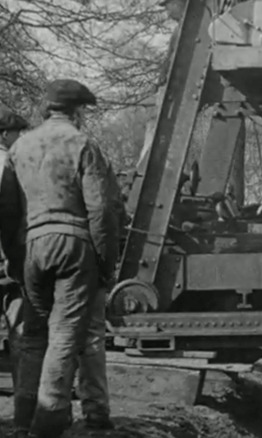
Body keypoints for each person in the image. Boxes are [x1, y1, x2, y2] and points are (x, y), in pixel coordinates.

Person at [10, 79, 122, 437]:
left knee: (34, 334)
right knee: (65, 333)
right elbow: (102, 210)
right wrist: (105, 262)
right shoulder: (82, 143)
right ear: (77, 111)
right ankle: (51, 417)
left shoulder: (19, 146)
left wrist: (16, 258)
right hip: (73, 245)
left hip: (32, 247)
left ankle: (23, 413)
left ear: (47, 108)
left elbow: (9, 210)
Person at [0, 108, 30, 438]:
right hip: (6, 262)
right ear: (4, 135)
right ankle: (24, 414)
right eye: (16, 134)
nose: (19, 138)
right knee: (20, 332)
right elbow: (10, 214)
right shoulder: (7, 164)